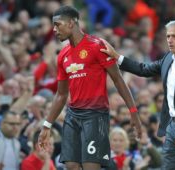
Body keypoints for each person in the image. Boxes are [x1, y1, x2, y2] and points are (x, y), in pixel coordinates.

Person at [101, 19, 175, 170]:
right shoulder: (167, 59)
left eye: (174, 36)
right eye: (168, 36)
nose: (169, 40)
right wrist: (118, 57)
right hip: (173, 128)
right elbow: (143, 69)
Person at [38, 5, 142, 170]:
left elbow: (118, 80)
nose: (54, 29)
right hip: (73, 115)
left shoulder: (97, 45)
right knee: (71, 166)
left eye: (58, 24)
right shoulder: (63, 55)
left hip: (96, 115)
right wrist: (46, 125)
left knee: (90, 167)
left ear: (72, 23)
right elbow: (61, 94)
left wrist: (133, 112)